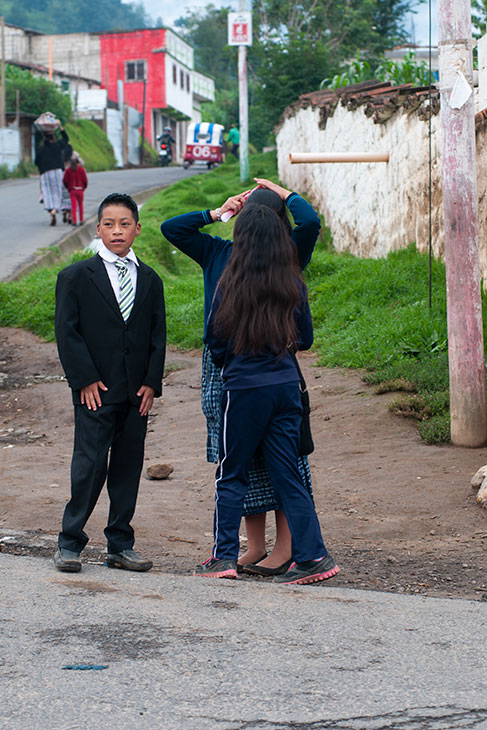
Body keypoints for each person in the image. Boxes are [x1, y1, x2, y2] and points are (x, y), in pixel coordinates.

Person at [160, 178, 321, 575]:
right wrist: (280, 198)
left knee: (234, 465)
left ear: (240, 223)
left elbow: (216, 333)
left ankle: (241, 554)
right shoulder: (285, 266)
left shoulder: (229, 261)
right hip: (280, 371)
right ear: (281, 225)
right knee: (278, 464)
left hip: (236, 374)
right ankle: (290, 552)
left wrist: (228, 361)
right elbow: (173, 229)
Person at [195, 203, 339, 585]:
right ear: (280, 238)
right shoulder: (292, 282)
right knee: (288, 475)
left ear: (240, 239)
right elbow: (305, 339)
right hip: (286, 387)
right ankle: (313, 557)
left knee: (231, 473)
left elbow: (215, 341)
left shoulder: (229, 283)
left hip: (244, 389)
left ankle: (223, 557)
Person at [53, 193, 166, 574]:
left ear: (137, 228)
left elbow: (156, 336)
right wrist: (83, 380)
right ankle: (70, 543)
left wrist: (152, 383)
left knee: (128, 466)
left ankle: (120, 544)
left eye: (124, 224)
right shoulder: (75, 277)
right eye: (108, 224)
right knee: (89, 464)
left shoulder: (150, 279)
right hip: (95, 391)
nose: (117, 231)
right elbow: (67, 333)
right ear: (97, 229)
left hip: (136, 392)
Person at [34, 123, 71, 227]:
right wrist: (60, 127)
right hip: (58, 172)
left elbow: (36, 162)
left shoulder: (40, 149)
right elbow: (66, 139)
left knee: (48, 193)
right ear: (53, 138)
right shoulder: (57, 146)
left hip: (45, 174)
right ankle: (63, 209)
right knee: (59, 192)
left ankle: (52, 211)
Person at [63, 153, 88, 226]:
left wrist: (68, 188)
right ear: (78, 163)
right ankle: (81, 220)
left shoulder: (68, 170)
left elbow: (65, 180)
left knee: (73, 206)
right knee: (80, 205)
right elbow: (85, 181)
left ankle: (74, 221)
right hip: (80, 190)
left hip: (72, 190)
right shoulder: (81, 170)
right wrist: (83, 188)